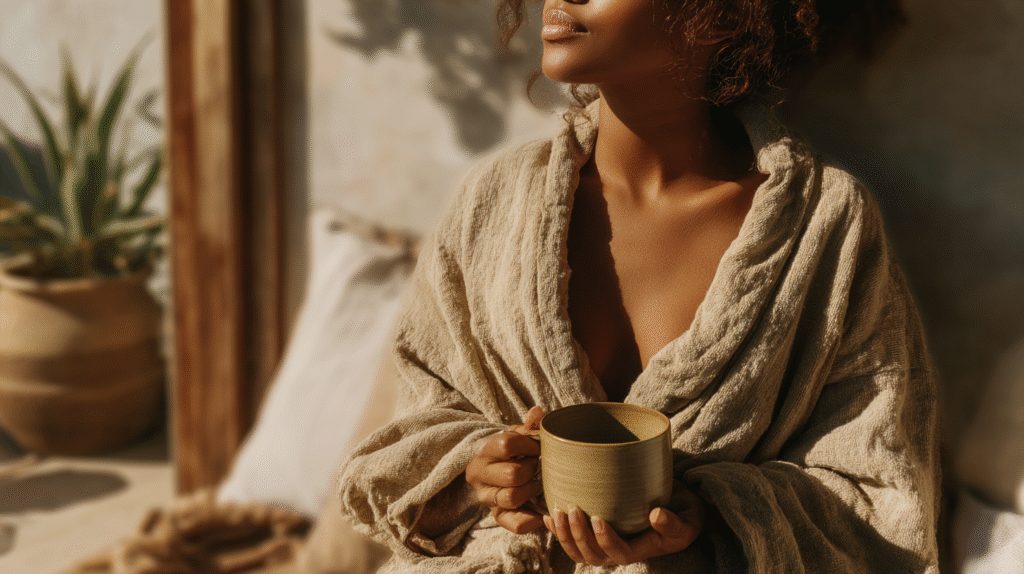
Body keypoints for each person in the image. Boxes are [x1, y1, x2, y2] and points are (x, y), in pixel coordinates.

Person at [338, 0, 941, 572]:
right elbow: (422, 416)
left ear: (725, 11)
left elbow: (877, 487)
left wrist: (712, 525)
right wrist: (476, 470)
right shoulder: (491, 204)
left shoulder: (824, 225)